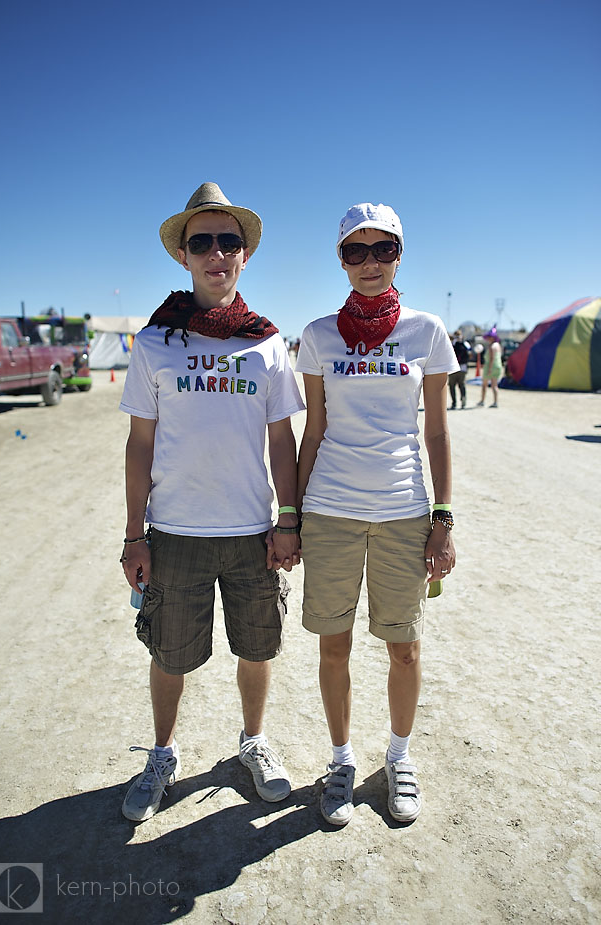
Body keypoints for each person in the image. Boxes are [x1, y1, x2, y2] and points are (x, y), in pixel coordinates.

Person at [119, 182, 305, 823]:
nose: (217, 253)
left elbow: (282, 442)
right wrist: (133, 535)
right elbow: (139, 445)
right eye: (204, 242)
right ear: (184, 255)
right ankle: (162, 754)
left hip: (252, 531)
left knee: (257, 647)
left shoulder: (267, 344)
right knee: (169, 654)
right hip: (173, 531)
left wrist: (289, 519)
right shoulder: (154, 343)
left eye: (230, 241)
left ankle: (252, 744)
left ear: (245, 254)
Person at [295, 201, 458, 826]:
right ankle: (340, 761)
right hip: (331, 510)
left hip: (403, 511)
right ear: (340, 259)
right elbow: (314, 431)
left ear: (400, 254)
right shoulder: (318, 335)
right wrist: (292, 516)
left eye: (382, 249)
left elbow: (438, 434)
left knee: (404, 648)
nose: (369, 263)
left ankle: (397, 756)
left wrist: (442, 517)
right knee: (333, 647)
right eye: (354, 251)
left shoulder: (426, 330)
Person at [477, 326, 502, 408]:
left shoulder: (491, 347)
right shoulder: (498, 345)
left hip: (490, 366)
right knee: (495, 385)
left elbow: (491, 358)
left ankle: (482, 401)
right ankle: (495, 402)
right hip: (498, 366)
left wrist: (489, 369)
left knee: (484, 385)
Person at [448, 329, 471, 409]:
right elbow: (470, 354)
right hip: (463, 368)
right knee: (462, 385)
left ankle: (454, 403)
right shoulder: (465, 344)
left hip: (452, 368)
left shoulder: (451, 344)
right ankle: (463, 400)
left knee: (452, 386)